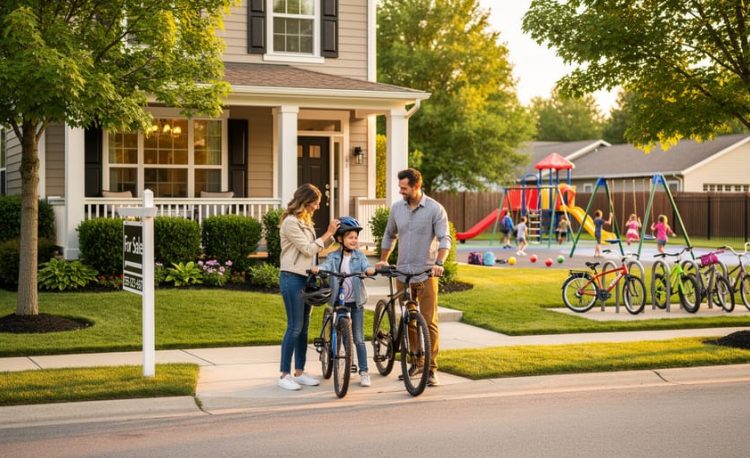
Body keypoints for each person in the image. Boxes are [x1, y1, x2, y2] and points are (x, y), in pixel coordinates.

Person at [375, 168, 451, 387]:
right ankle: (416, 362)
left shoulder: (435, 209)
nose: (401, 191)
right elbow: (390, 234)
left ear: (417, 186)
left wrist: (439, 263)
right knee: (408, 320)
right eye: (400, 187)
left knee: (428, 322)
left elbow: (445, 239)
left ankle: (431, 369)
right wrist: (383, 259)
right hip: (402, 273)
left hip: (426, 273)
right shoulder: (398, 208)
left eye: (404, 188)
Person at [278, 184, 340, 391]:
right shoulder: (290, 222)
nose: (317, 207)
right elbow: (307, 249)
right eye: (315, 203)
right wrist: (328, 232)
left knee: (303, 328)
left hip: (307, 278)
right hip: (292, 278)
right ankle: (284, 374)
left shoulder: (305, 222)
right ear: (305, 201)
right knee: (294, 326)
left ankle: (299, 372)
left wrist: (337, 237)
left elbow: (317, 250)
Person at [311, 217, 375, 387]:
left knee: (359, 338)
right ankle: (347, 363)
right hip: (339, 302)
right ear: (340, 239)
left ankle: (364, 371)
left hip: (356, 302)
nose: (354, 240)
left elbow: (366, 265)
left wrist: (369, 270)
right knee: (343, 337)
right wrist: (319, 269)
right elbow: (327, 266)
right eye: (350, 237)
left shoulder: (359, 256)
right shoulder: (333, 256)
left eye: (355, 237)